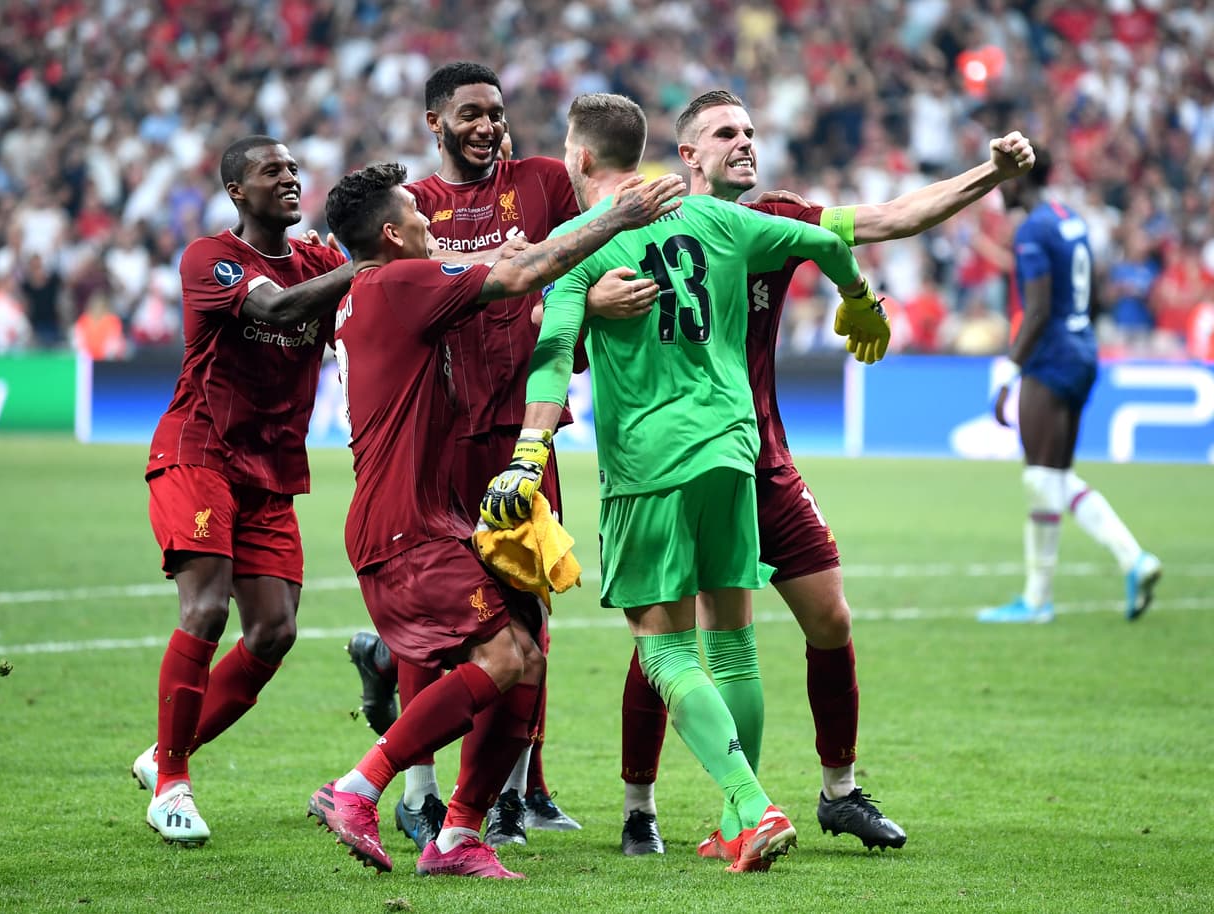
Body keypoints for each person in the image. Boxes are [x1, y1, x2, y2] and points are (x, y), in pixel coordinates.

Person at [609, 89, 1038, 858]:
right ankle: (641, 805)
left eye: (750, 130)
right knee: (666, 634)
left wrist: (988, 176)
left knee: (828, 617)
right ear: (688, 155)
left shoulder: (783, 219)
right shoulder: (636, 224)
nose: (745, 142)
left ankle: (835, 793)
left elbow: (888, 219)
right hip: (673, 451)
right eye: (724, 133)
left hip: (759, 455)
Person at [480, 92, 890, 874]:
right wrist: (858, 297)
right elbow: (827, 239)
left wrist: (529, 452)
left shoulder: (578, 242)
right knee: (733, 645)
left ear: (581, 159)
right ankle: (740, 815)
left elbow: (553, 348)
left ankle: (751, 802)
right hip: (737, 453)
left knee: (665, 652)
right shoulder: (720, 219)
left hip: (650, 464)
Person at [309, 161, 684, 879]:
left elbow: (493, 264)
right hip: (403, 524)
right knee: (506, 657)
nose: (432, 226)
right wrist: (617, 218)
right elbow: (516, 275)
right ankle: (356, 789)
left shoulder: (381, 285)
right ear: (392, 234)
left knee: (528, 656)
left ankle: (459, 837)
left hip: (432, 516)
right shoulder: (396, 281)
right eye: (419, 219)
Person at [130, 135, 355, 847]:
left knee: (275, 630)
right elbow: (280, 311)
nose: (289, 178)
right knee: (204, 607)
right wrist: (363, 268)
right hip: (199, 451)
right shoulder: (212, 257)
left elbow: (361, 301)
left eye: (293, 169)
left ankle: (165, 751)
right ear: (237, 192)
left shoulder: (321, 260)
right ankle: (171, 786)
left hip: (270, 469)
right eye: (271, 171)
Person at [979, 150, 1162, 624]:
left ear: (1018, 181)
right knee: (1055, 476)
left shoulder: (1033, 230)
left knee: (1041, 477)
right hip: (1083, 351)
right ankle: (1133, 560)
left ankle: (1037, 601)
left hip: (1052, 357)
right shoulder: (1070, 219)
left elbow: (1037, 309)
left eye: (1004, 178)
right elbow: (1095, 294)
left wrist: (1008, 369)